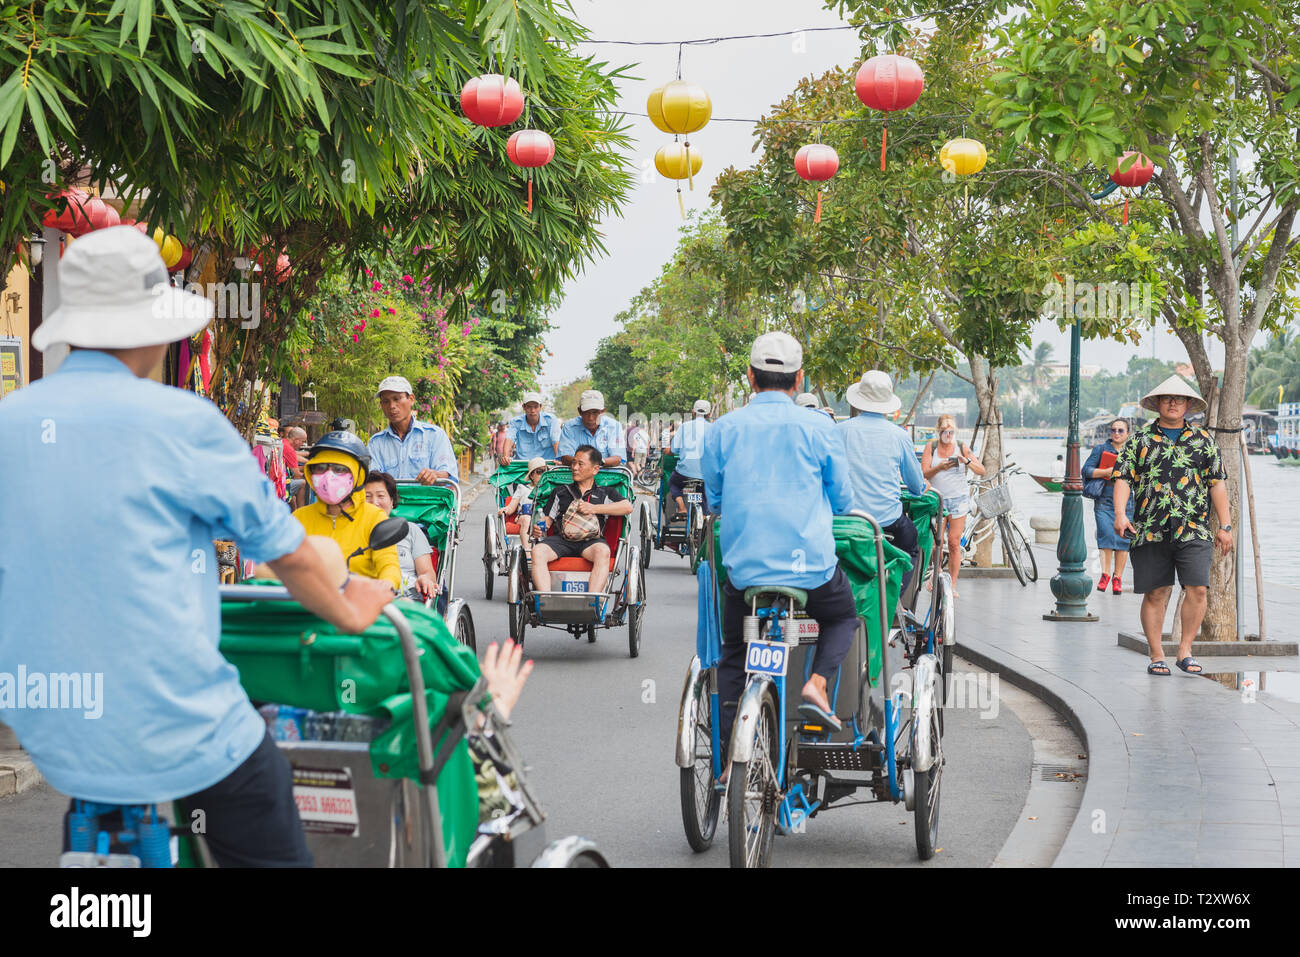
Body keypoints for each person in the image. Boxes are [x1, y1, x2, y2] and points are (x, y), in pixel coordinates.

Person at [0, 226, 396, 867]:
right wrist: (352, 607)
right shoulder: (182, 423)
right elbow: (291, 553)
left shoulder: (12, 423)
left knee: (104, 798)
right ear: (153, 329)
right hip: (178, 724)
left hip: (53, 730)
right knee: (260, 798)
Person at [702, 331, 857, 739]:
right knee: (843, 615)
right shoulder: (821, 427)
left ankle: (726, 759)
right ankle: (818, 682)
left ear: (750, 378)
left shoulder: (723, 429)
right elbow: (843, 499)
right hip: (810, 569)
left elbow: (714, 499)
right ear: (799, 380)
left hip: (745, 573)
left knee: (734, 652)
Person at [1113, 375, 1233, 676]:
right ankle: (1156, 654)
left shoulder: (1203, 440)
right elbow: (1123, 478)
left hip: (1194, 528)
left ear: (1189, 404)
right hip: (1150, 527)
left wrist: (1225, 526)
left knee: (1198, 589)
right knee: (1156, 592)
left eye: (1179, 399)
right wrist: (1120, 514)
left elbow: (1216, 484)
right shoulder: (1139, 440)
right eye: (1167, 398)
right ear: (1156, 404)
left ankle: (1185, 650)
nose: (1173, 402)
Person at [840, 371, 927, 596]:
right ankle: (896, 599)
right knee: (911, 546)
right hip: (888, 523)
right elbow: (916, 487)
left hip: (848, 522)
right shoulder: (899, 436)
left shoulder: (839, 431)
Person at [293, 431, 402, 592]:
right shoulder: (299, 518)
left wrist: (387, 583)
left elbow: (389, 564)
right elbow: (279, 564)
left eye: (339, 469)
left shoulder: (374, 517)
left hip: (358, 604)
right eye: (320, 468)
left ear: (358, 476)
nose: (328, 476)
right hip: (306, 606)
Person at [531, 445, 633, 597]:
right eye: (573, 463)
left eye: (580, 464)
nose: (574, 468)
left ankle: (592, 602)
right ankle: (546, 600)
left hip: (592, 541)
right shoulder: (560, 491)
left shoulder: (605, 492)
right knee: (537, 551)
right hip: (562, 540)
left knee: (603, 551)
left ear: (595, 469)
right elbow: (546, 520)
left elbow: (627, 507)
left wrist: (594, 508)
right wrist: (538, 528)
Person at [921, 413, 986, 595]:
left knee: (954, 542)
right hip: (937, 500)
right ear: (938, 431)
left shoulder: (961, 447)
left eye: (951, 431)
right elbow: (924, 473)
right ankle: (937, 574)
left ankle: (954, 584)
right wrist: (940, 467)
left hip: (958, 499)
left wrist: (966, 461)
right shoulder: (931, 447)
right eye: (944, 431)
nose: (948, 435)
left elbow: (981, 470)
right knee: (936, 544)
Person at [367, 375, 459, 484]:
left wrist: (435, 475)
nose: (391, 406)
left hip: (426, 500)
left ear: (411, 399)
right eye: (386, 401)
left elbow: (448, 474)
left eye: (397, 399)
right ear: (381, 405)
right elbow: (372, 481)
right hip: (391, 501)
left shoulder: (434, 435)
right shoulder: (376, 443)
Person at [363, 471, 439, 601]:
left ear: (392, 501)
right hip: (364, 595)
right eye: (367, 496)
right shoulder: (352, 530)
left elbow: (427, 573)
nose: (374, 502)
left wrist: (424, 578)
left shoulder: (411, 530)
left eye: (381, 496)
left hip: (406, 595)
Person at [1083, 418, 1136, 595]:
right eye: (1113, 430)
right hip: (1104, 499)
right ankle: (1105, 575)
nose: (1116, 433)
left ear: (1127, 433)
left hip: (1127, 501)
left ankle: (1117, 578)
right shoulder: (1101, 449)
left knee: (1123, 539)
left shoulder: (1133, 451)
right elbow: (1086, 470)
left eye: (1121, 430)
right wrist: (1105, 472)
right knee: (1105, 536)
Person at [668, 400, 713, 517]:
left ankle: (682, 508)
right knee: (705, 493)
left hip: (684, 474)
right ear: (709, 414)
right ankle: (704, 519)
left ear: (693, 413)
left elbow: (673, 450)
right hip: (706, 475)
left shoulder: (684, 427)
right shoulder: (714, 429)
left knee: (673, 483)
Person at [557, 390, 623, 466]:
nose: (591, 418)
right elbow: (565, 457)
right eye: (586, 412)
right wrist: (588, 464)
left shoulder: (614, 426)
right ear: (580, 411)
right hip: (577, 476)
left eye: (595, 412)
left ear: (603, 412)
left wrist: (596, 463)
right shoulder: (569, 427)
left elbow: (617, 458)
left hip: (608, 476)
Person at [501, 456, 548, 543]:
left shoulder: (550, 489)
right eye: (539, 472)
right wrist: (505, 509)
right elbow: (511, 508)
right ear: (531, 475)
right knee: (527, 519)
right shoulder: (522, 488)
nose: (543, 475)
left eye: (545, 471)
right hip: (524, 517)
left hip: (542, 518)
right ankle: (528, 554)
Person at [504, 391, 560, 462]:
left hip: (547, 465)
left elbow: (556, 441)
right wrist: (505, 456)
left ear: (540, 407)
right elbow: (509, 439)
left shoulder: (551, 420)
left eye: (536, 407)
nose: (532, 410)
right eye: (529, 407)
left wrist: (559, 461)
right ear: (524, 407)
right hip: (523, 466)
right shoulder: (516, 422)